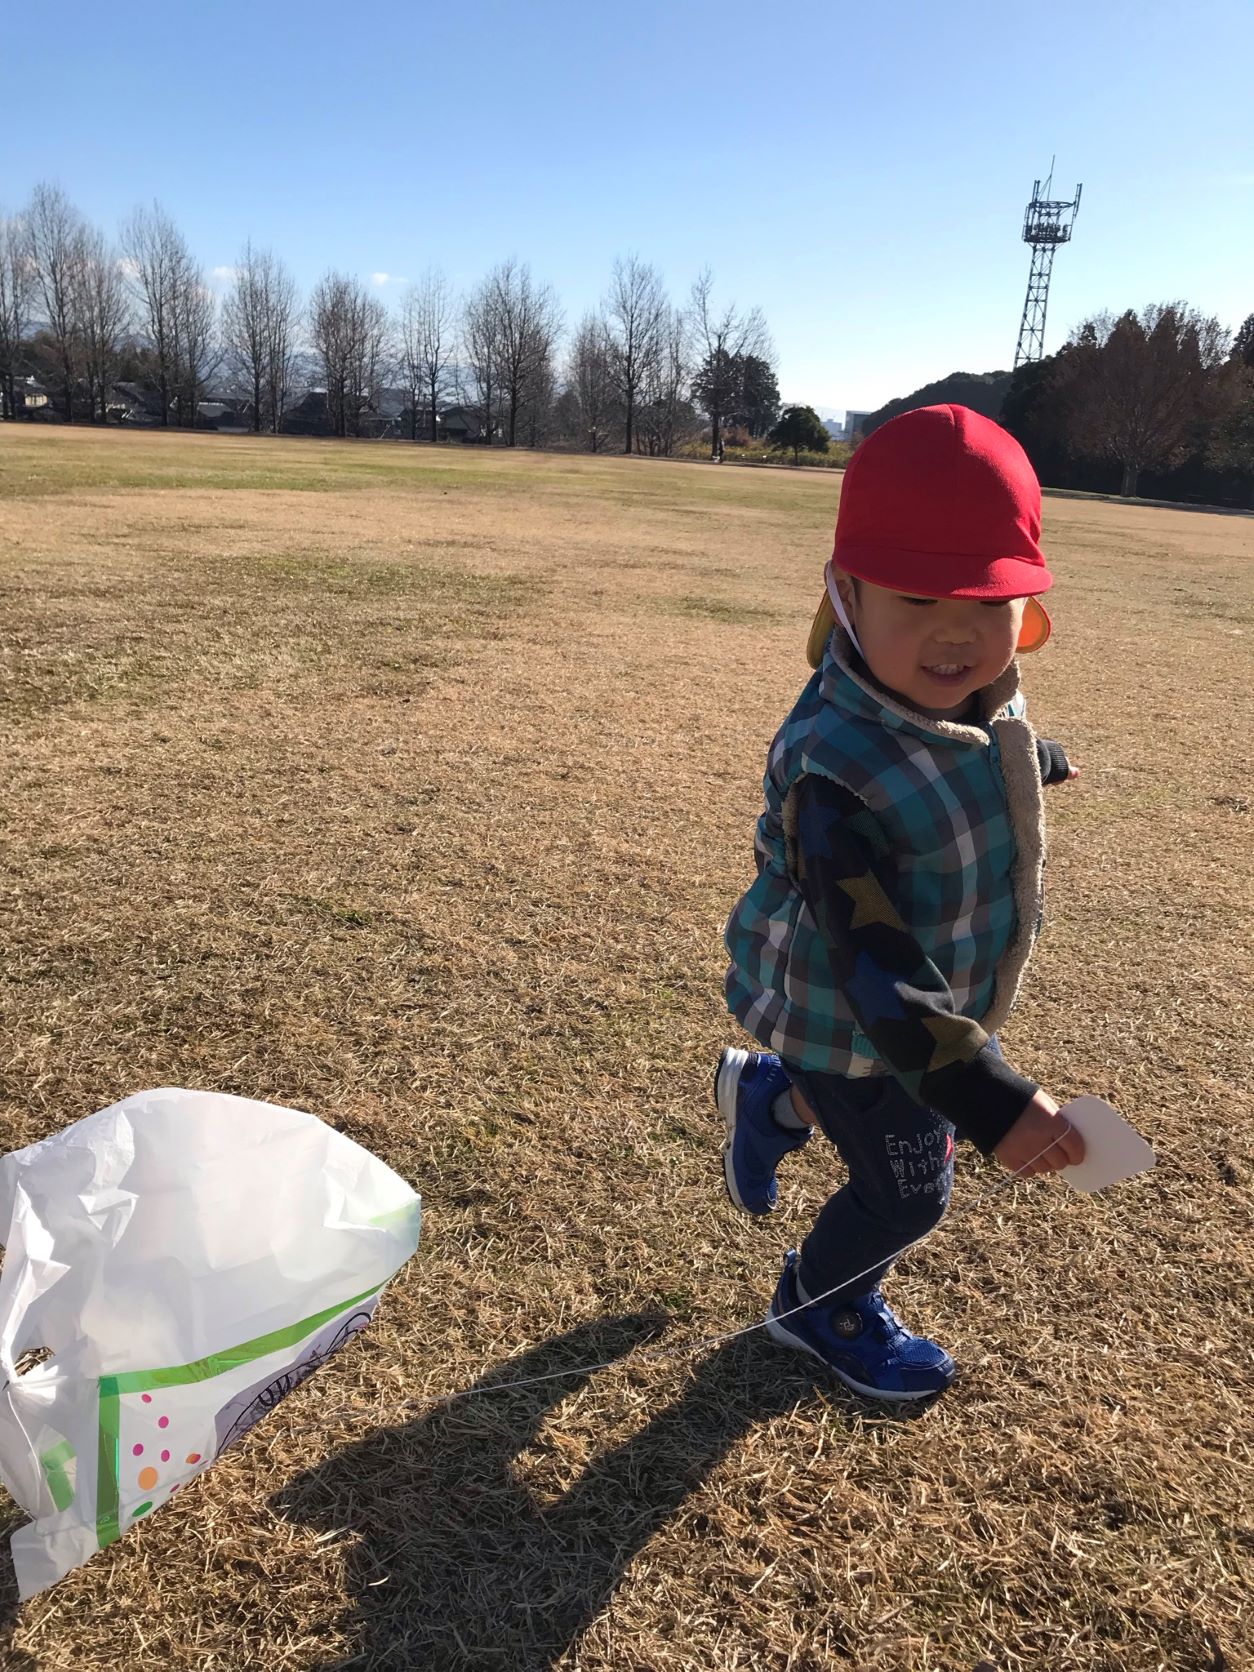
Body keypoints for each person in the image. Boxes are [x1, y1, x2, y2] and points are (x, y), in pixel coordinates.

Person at [718, 403, 1085, 1402]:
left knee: (870, 1115)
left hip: (894, 1030)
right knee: (909, 1191)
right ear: (847, 595)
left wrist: (1028, 764)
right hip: (860, 1017)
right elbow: (876, 969)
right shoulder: (832, 777)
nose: (956, 633)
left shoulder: (964, 702)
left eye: (989, 602)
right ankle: (817, 1306)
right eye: (918, 599)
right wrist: (992, 1100)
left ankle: (775, 1096)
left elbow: (963, 752)